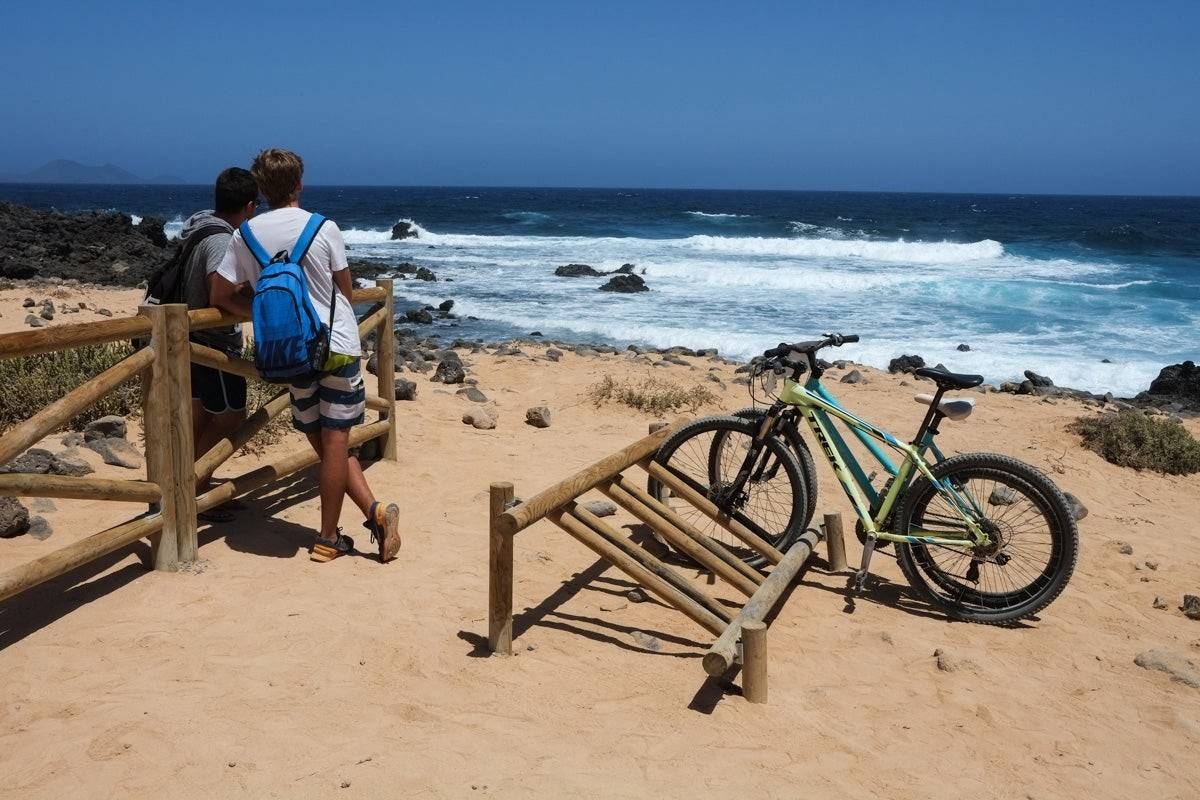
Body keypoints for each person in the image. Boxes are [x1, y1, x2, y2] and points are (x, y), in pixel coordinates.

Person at [210, 148, 401, 563]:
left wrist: (259, 311)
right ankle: (328, 537)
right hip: (334, 347)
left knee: (325, 444)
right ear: (299, 183)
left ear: (260, 189)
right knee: (335, 443)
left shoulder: (245, 235)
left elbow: (220, 296)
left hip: (288, 351)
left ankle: (376, 513)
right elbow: (344, 293)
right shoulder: (323, 227)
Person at [177, 167, 257, 523]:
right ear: (250, 206)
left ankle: (193, 488)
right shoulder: (222, 239)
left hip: (189, 341)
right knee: (231, 417)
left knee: (199, 418)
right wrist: (258, 309)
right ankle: (198, 488)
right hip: (212, 344)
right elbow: (219, 294)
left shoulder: (198, 225)